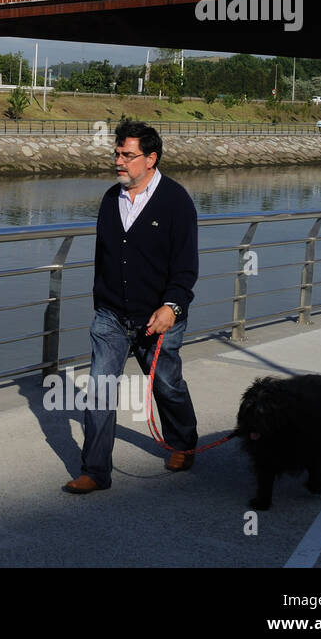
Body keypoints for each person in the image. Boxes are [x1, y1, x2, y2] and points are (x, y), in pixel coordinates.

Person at [64, 119, 199, 494]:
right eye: (117, 153)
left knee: (167, 385)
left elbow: (186, 265)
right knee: (100, 391)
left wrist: (171, 307)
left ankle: (184, 441)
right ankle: (95, 471)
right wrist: (102, 303)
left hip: (159, 316)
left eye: (128, 155)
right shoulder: (111, 199)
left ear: (151, 158)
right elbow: (106, 257)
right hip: (111, 316)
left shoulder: (176, 201)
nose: (119, 161)